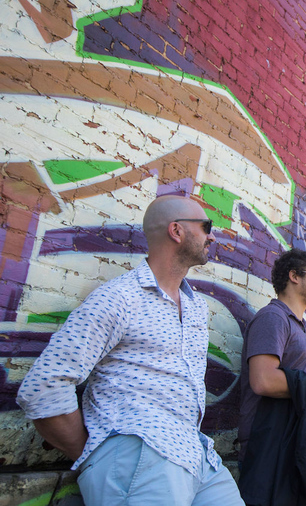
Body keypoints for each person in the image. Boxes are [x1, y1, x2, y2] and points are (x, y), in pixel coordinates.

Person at [16, 195, 244, 506]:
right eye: (206, 227)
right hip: (139, 455)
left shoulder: (196, 308)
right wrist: (95, 452)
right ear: (177, 231)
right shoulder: (119, 298)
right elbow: (44, 386)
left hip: (198, 455)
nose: (212, 236)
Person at [238, 248, 306, 505]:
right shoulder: (273, 318)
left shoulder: (298, 328)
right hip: (271, 451)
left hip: (296, 449)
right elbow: (263, 380)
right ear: (294, 276)